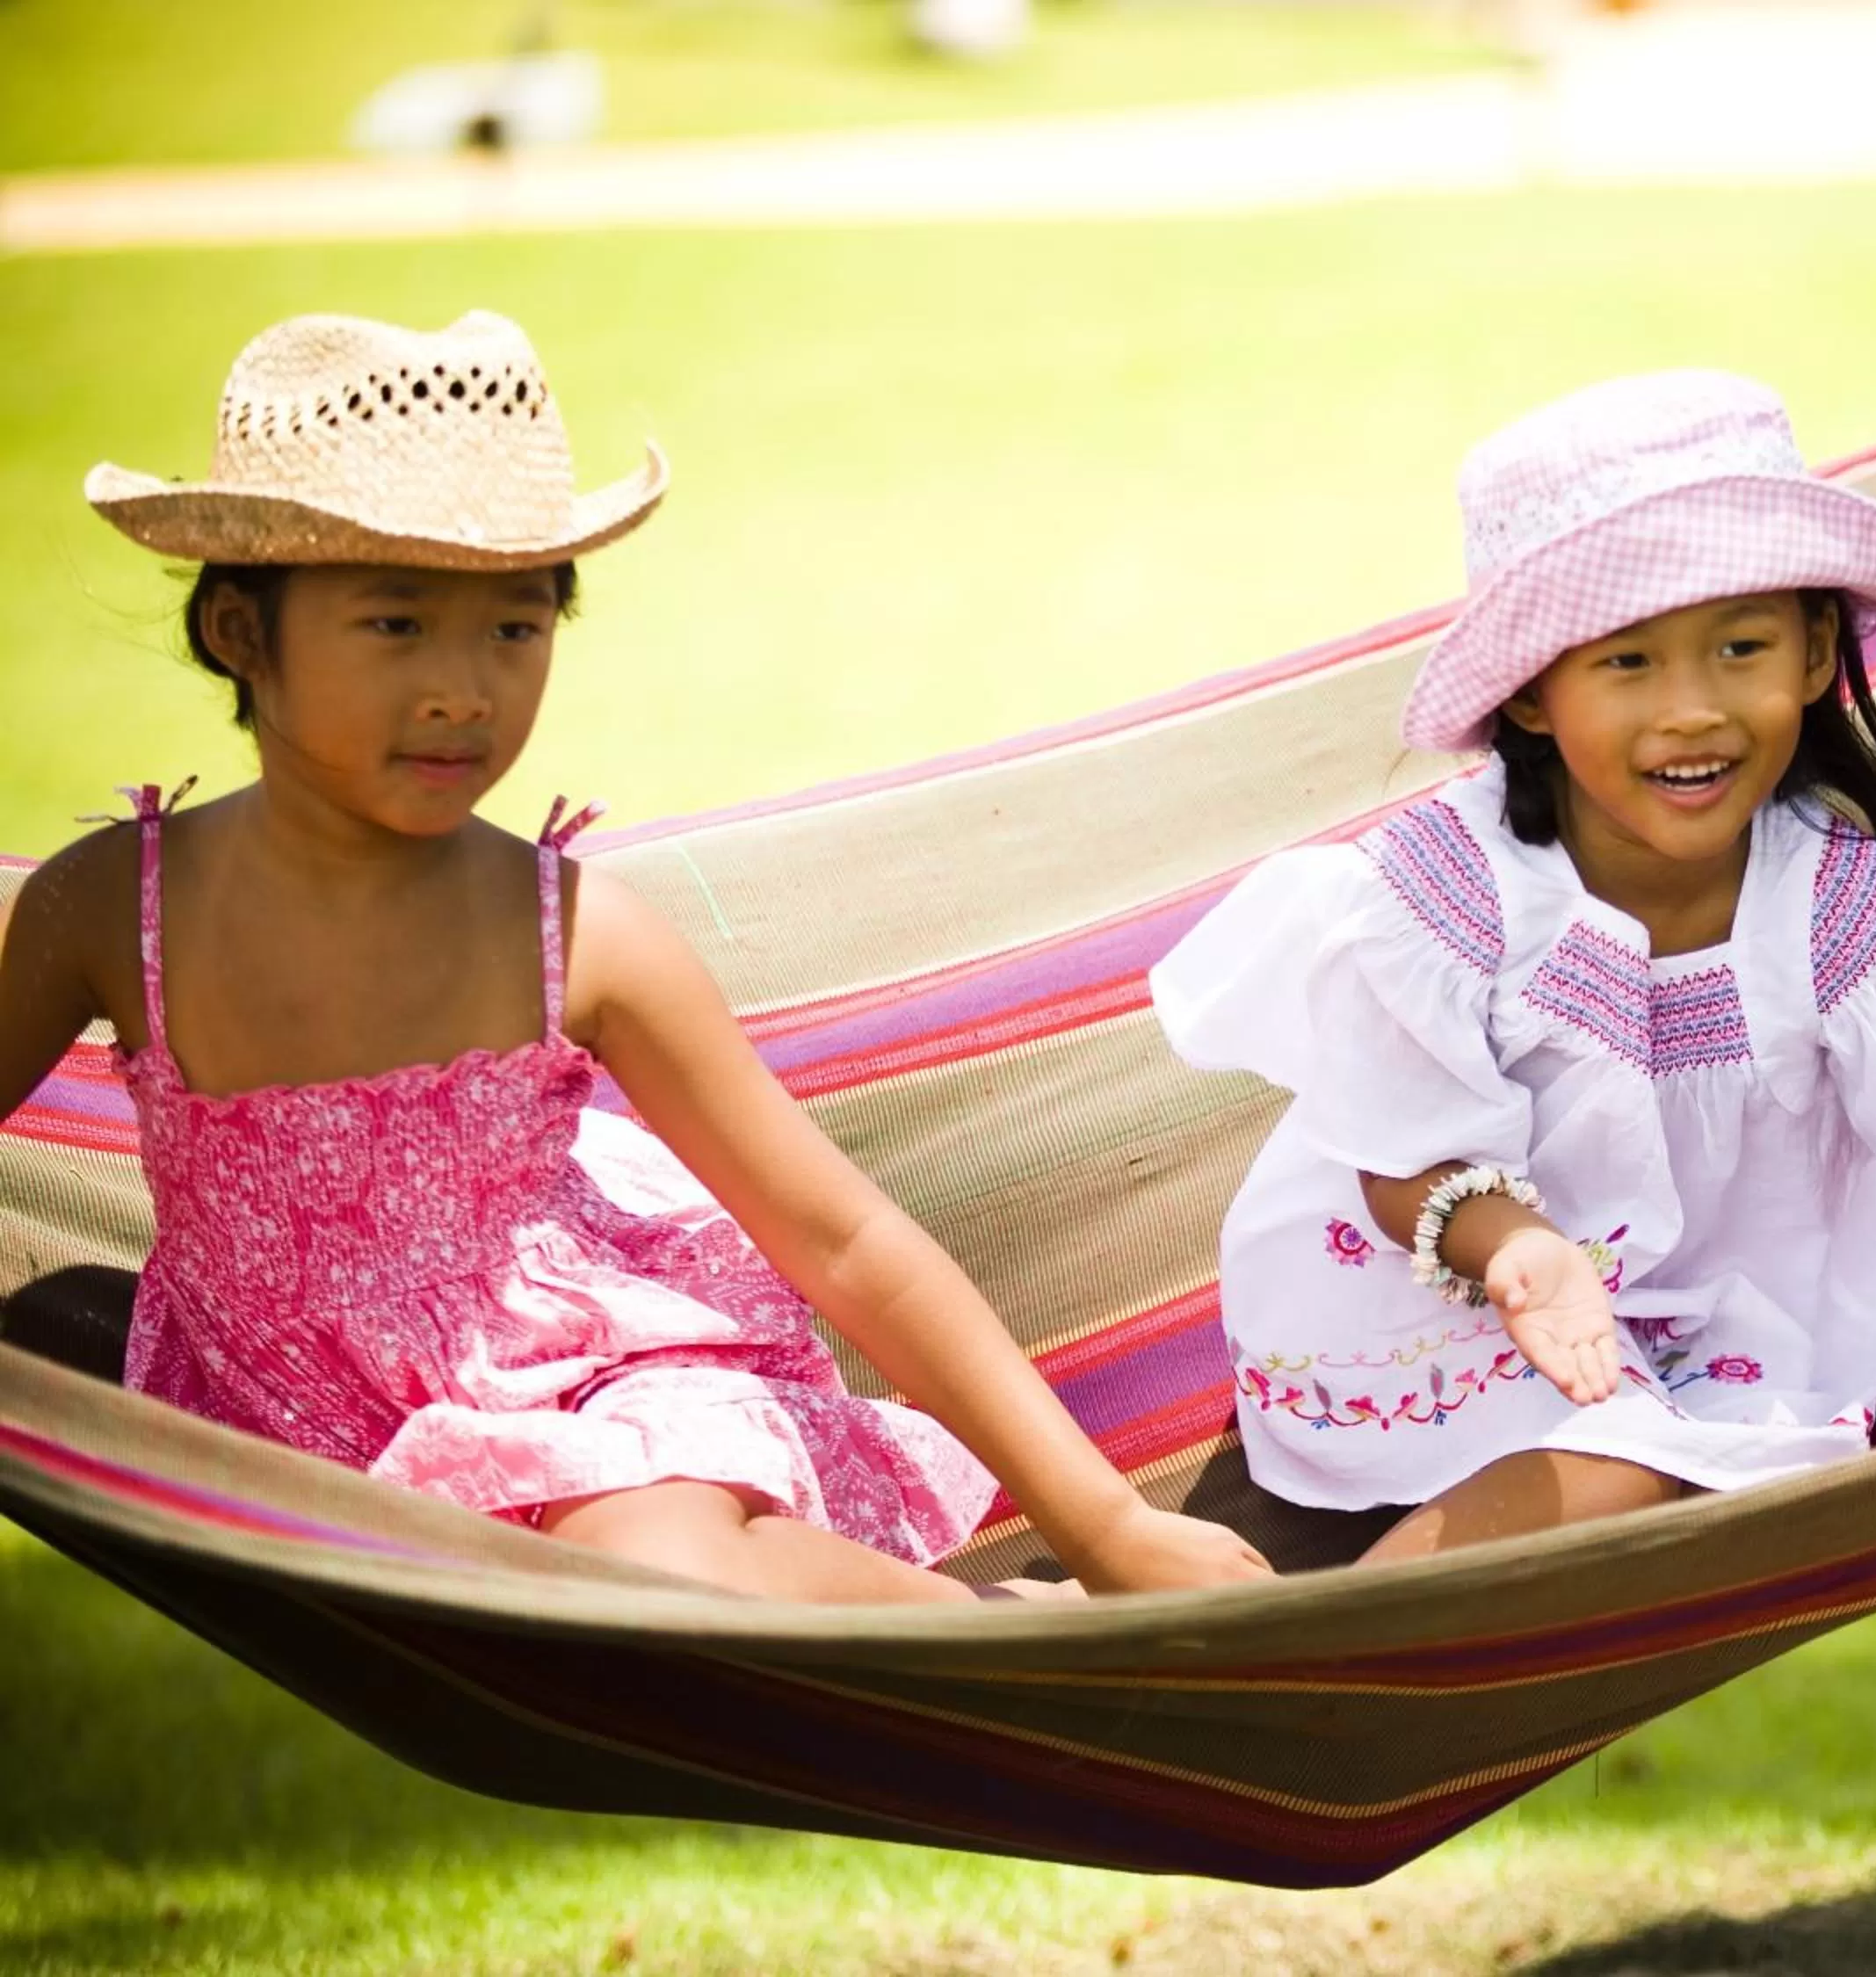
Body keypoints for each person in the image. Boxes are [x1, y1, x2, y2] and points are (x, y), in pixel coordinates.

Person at [0, 310, 1271, 1604]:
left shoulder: (576, 938)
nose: (464, 689)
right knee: (626, 1573)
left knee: (649, 1568)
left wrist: (1111, 1524)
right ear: (238, 631)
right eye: (397, 624)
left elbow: (843, 1239)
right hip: (313, 1460)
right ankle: (990, 1630)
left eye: (515, 626)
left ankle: (1006, 1639)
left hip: (596, 1387)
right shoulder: (112, 910)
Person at [1151, 371, 1876, 1565]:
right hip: (1448, 1293)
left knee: (1663, 1464)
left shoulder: (1840, 920)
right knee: (1629, 1465)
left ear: (1818, 653)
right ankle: (1318, 1651)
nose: (1693, 710)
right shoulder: (1450, 903)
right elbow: (1401, 1155)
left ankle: (1312, 1648)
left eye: (1741, 646)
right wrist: (1514, 1248)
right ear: (1531, 694)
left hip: (1711, 1313)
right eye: (1629, 663)